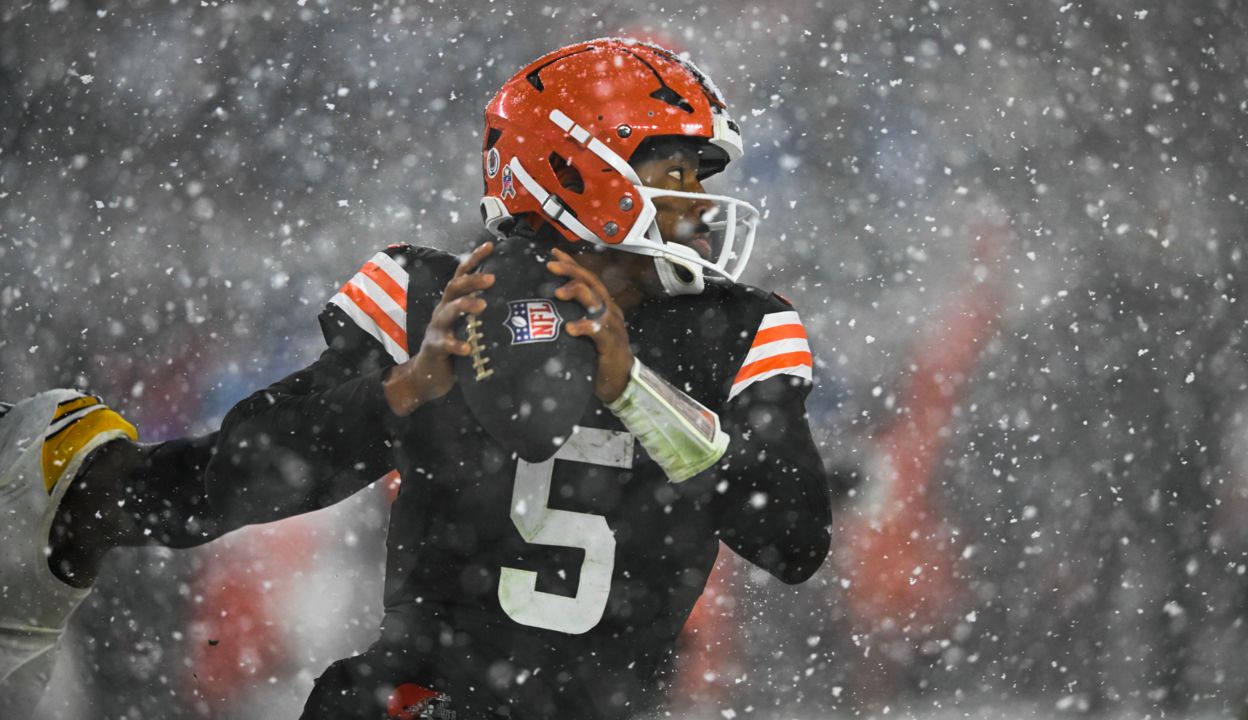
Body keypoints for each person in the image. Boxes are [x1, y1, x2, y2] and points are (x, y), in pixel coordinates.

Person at [0, 38, 831, 719]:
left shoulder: (739, 326)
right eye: (675, 173)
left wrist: (633, 389)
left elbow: (793, 537)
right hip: (424, 700)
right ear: (579, 169)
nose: (697, 204)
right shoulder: (436, 296)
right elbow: (241, 480)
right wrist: (402, 391)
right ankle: (65, 504)